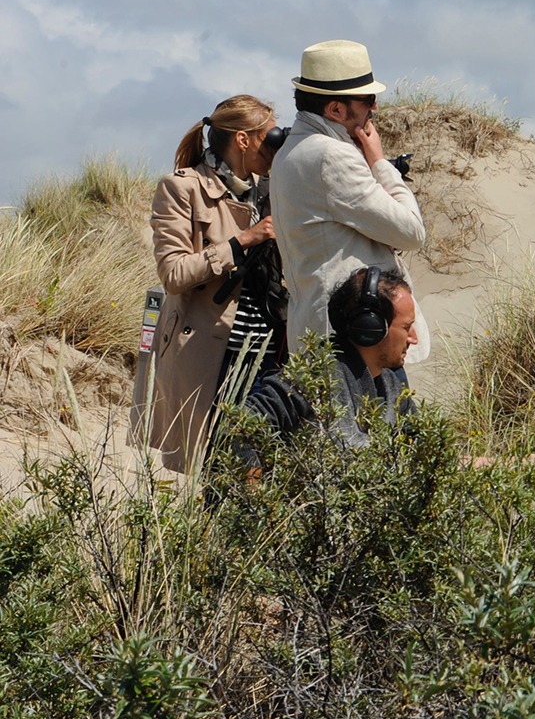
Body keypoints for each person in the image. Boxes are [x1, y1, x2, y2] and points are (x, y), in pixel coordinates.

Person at [148, 95, 285, 473]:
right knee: (233, 471)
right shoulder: (183, 189)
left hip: (270, 353)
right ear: (244, 140)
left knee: (267, 468)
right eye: (269, 136)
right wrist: (242, 241)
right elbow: (173, 274)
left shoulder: (270, 189)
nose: (275, 145)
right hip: (218, 356)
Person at [271, 39, 429, 365]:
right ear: (335, 110)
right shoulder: (331, 155)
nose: (375, 108)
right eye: (368, 99)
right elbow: (411, 232)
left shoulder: (289, 152)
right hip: (359, 340)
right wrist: (380, 162)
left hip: (319, 333)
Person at [235, 265, 420, 466]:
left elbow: (422, 443)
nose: (414, 338)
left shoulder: (391, 386)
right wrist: (254, 489)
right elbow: (239, 424)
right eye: (406, 327)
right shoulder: (317, 376)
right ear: (371, 327)